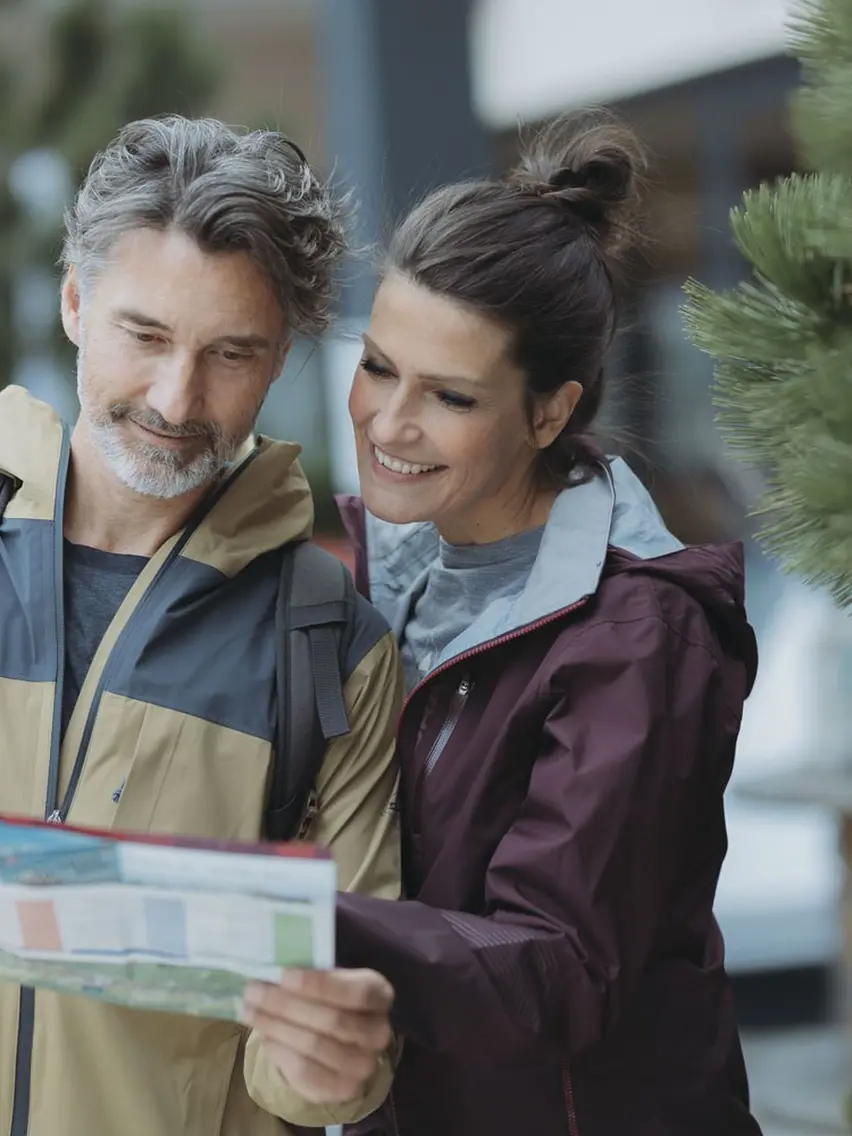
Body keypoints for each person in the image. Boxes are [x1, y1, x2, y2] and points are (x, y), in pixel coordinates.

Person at [261, 111, 763, 1135]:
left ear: (549, 413)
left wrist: (279, 916)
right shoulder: (376, 581)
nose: (389, 422)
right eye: (377, 364)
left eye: (449, 394)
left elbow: (561, 968)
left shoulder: (636, 636)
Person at [0, 116, 403, 1136]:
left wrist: (337, 1055)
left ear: (281, 360)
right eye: (144, 335)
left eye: (231, 352)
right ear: (75, 301)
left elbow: (327, 1055)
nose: (178, 399)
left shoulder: (331, 645)